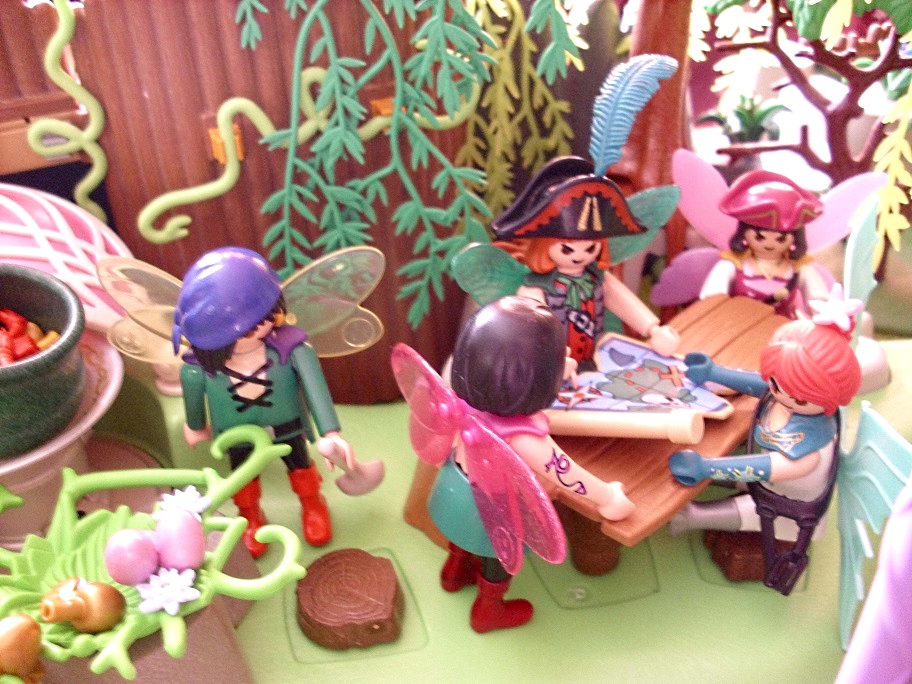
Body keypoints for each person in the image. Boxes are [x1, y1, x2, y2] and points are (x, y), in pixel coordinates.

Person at [393, 296, 634, 633]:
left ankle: (454, 571)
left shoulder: (458, 408)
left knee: (462, 537)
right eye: (556, 361)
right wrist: (607, 497)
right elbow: (565, 473)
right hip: (496, 508)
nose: (567, 361)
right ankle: (488, 609)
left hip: (454, 487)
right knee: (498, 556)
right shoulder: (524, 438)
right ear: (533, 379)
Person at [667, 286, 862, 593]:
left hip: (786, 506)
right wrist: (714, 372)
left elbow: (761, 466)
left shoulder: (808, 451)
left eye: (796, 393)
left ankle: (693, 517)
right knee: (744, 483)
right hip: (768, 483)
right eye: (777, 381)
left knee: (746, 509)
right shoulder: (786, 397)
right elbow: (763, 386)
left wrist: (706, 467)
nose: (780, 392)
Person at [173, 247, 353, 557]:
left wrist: (330, 432)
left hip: (287, 425)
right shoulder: (198, 370)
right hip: (237, 433)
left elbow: (316, 390)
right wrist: (197, 426)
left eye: (265, 316)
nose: (260, 326)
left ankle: (312, 503)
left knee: (300, 465)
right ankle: (250, 516)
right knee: (243, 477)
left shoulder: (293, 351)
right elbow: (194, 404)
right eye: (246, 327)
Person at [492, 157, 679, 370]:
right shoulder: (535, 288)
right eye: (567, 249)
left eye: (590, 248)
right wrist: (548, 358)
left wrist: (653, 329)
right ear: (543, 246)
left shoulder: (596, 279)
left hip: (592, 361)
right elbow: (530, 329)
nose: (579, 256)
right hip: (553, 368)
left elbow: (622, 300)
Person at [698, 169, 829, 318]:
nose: (770, 244)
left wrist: (820, 311)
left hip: (783, 326)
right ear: (744, 232)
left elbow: (818, 299)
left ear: (795, 237)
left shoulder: (799, 269)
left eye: (780, 239)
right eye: (760, 237)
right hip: (737, 324)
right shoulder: (734, 265)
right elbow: (713, 295)